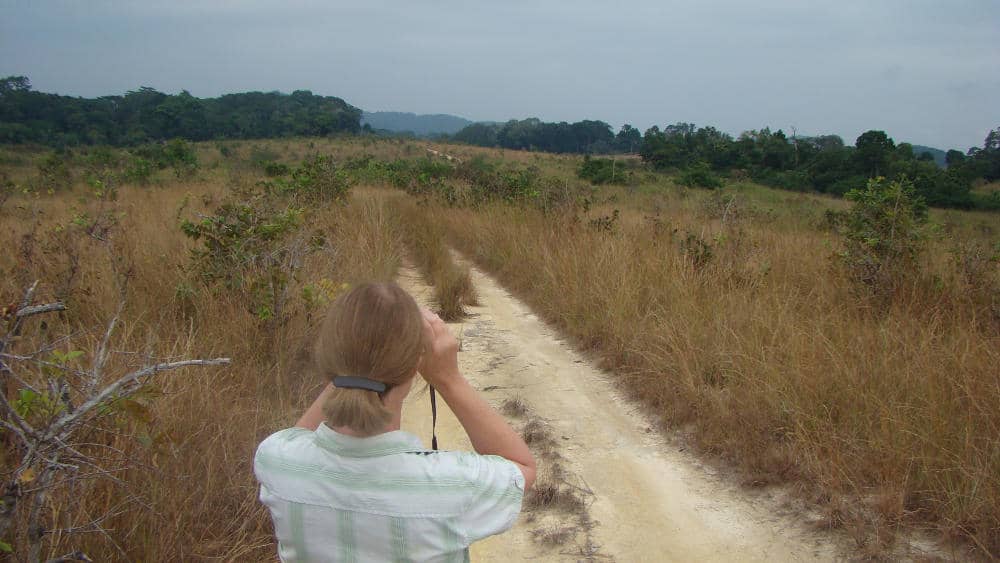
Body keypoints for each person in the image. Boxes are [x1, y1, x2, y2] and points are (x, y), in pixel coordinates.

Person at [254, 282, 536, 562]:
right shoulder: (453, 486)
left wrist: (352, 358)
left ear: (328, 360)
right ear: (416, 365)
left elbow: (296, 437)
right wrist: (448, 379)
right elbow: (522, 467)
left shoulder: (277, 462)